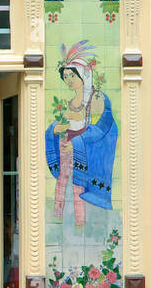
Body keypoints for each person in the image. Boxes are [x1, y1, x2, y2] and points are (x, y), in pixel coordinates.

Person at [46, 41, 118, 227]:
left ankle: (81, 223)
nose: (68, 80)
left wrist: (78, 141)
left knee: (79, 185)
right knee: (62, 182)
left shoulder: (96, 98)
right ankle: (57, 218)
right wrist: (54, 130)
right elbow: (63, 123)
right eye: (66, 77)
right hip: (66, 147)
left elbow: (101, 127)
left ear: (83, 75)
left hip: (81, 150)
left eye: (72, 76)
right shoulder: (71, 101)